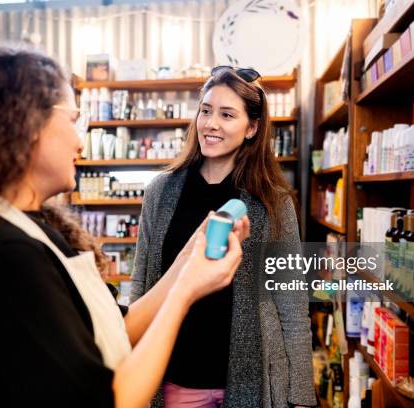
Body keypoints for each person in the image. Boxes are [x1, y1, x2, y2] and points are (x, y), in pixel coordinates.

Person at [0, 45, 250, 407]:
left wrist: (187, 261)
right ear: (24, 125)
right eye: (72, 120)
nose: (81, 140)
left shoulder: (35, 229)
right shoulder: (4, 255)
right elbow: (110, 400)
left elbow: (118, 330)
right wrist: (185, 292)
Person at [131, 66, 316, 407]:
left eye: (227, 115)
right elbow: (142, 283)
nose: (210, 123)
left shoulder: (273, 202)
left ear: (251, 128)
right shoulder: (161, 192)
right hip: (177, 377)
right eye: (205, 110)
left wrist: (301, 396)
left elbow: (291, 306)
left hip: (252, 382)